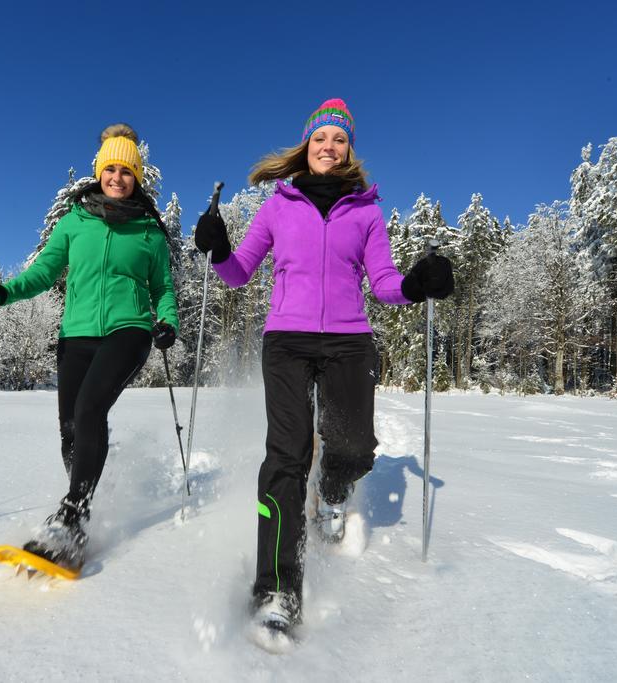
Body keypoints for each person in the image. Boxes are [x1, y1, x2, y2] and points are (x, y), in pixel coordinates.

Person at [193, 99, 453, 635]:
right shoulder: (278, 206)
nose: (328, 147)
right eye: (320, 139)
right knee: (285, 457)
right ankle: (277, 588)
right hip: (286, 340)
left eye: (338, 139)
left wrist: (415, 283)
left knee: (354, 446)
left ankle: (332, 493)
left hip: (348, 341)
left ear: (348, 150)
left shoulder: (366, 211)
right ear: (305, 148)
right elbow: (239, 272)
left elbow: (382, 284)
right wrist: (218, 250)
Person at [0, 123, 179, 574]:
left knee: (88, 412)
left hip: (129, 331)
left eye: (127, 170)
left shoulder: (149, 232)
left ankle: (73, 514)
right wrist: (1, 294)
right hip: (77, 335)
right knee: (70, 428)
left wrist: (167, 322)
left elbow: (162, 288)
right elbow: (43, 272)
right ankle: (83, 496)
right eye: (111, 169)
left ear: (136, 177)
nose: (118, 178)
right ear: (99, 172)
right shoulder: (74, 222)